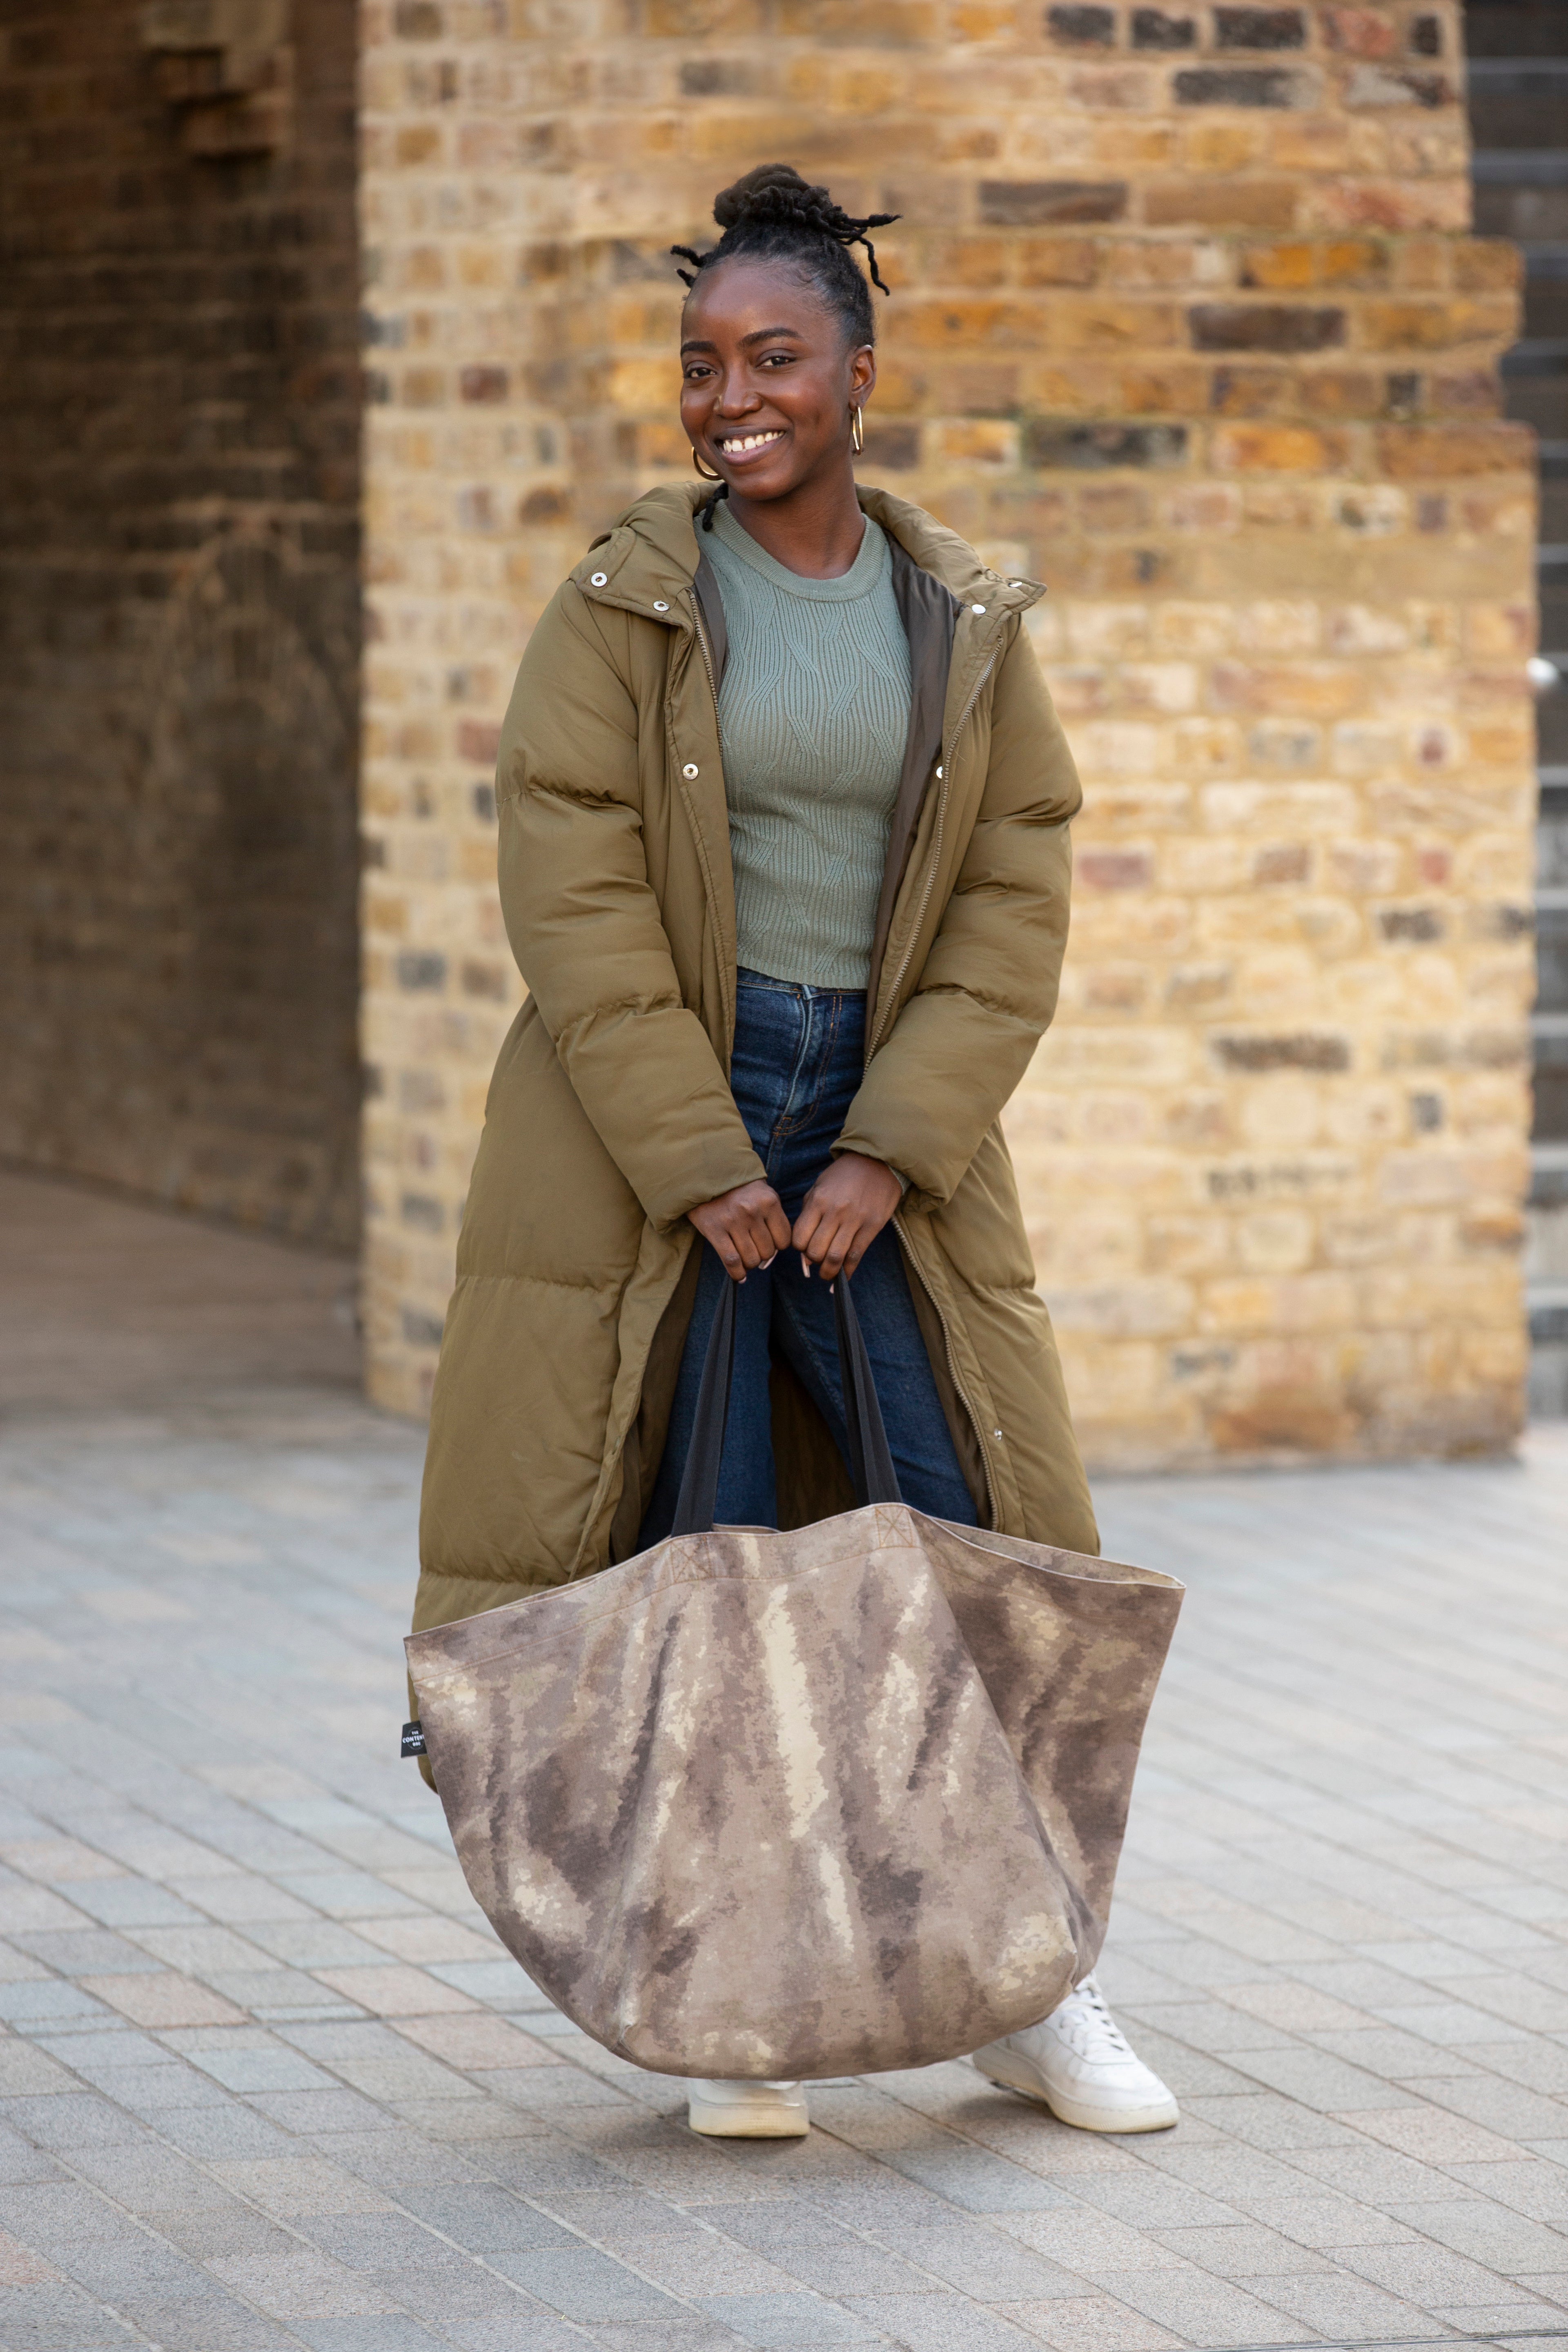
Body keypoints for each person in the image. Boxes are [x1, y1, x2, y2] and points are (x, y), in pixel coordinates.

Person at [410, 163, 1177, 2141]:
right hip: (666, 1122)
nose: (727, 396)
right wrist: (702, 1155)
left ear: (858, 367)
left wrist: (891, 1150)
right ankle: (731, 2005)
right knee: (705, 1555)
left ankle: (1039, 1992)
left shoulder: (962, 618)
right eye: (698, 363)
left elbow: (1014, 896)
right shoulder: (627, 601)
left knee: (973, 1543)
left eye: (771, 357)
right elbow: (571, 901)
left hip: (889, 1121)